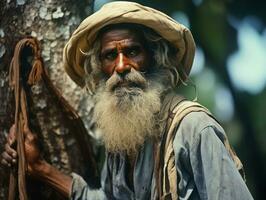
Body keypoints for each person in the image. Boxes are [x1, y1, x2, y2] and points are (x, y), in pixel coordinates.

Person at [1, 1, 253, 199]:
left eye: (132, 51)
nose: (121, 66)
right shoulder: (122, 138)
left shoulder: (194, 128)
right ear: (100, 68)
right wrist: (40, 168)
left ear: (155, 57)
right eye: (110, 55)